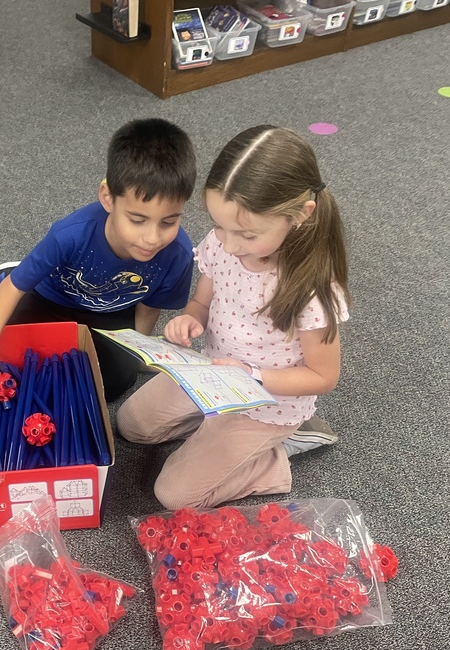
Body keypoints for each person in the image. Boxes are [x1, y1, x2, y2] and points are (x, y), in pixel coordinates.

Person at [116, 125, 350, 509]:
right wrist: (190, 319)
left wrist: (251, 376)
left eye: (246, 233)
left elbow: (323, 377)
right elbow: (202, 304)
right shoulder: (223, 245)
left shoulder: (312, 290)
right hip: (214, 377)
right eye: (218, 226)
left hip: (267, 403)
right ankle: (218, 434)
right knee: (132, 425)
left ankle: (275, 455)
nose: (227, 243)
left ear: (299, 216)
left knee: (174, 495)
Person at [0, 118, 197, 404]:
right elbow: (13, 289)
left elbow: (149, 307)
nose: (152, 238)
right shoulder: (69, 234)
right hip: (51, 297)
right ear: (108, 198)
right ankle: (20, 269)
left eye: (168, 222)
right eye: (137, 220)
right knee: (12, 364)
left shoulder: (178, 253)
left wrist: (139, 350)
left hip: (111, 311)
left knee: (114, 383)